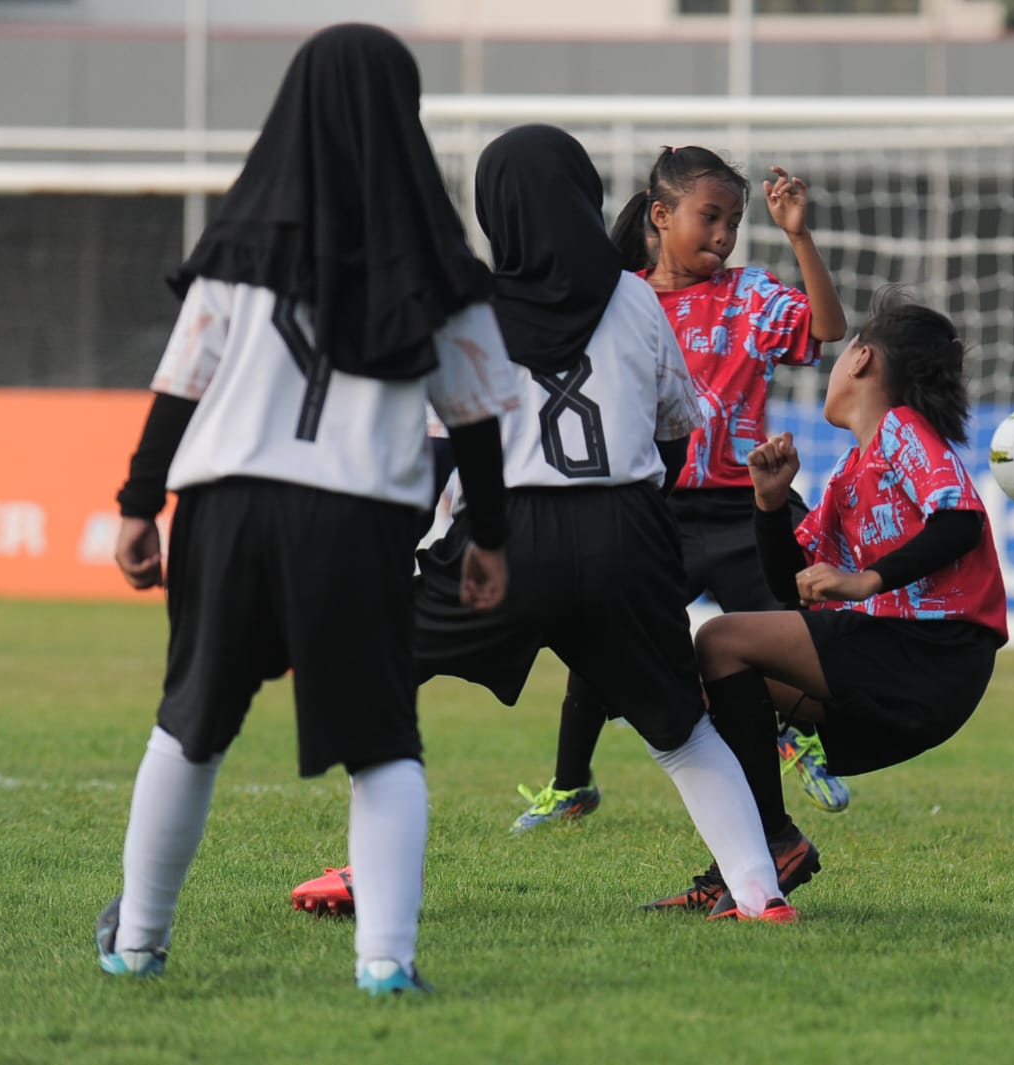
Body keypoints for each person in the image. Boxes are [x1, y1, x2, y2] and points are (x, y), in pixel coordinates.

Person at [96, 24, 519, 996]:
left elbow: (181, 384)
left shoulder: (239, 239)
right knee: (382, 747)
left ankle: (138, 944)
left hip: (226, 508)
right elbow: (476, 415)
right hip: (359, 518)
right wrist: (488, 536)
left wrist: (136, 504)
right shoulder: (438, 259)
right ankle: (384, 963)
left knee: (190, 724)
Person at [296, 125, 804, 923]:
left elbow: (429, 458)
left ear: (495, 209)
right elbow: (679, 432)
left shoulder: (467, 308)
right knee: (680, 730)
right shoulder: (638, 296)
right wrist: (630, 519)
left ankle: (375, 873)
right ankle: (759, 894)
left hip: (506, 535)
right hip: (632, 532)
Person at [509, 144, 853, 834]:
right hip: (655, 511)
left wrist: (799, 235)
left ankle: (803, 736)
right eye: (711, 218)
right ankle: (571, 782)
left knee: (792, 627)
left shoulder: (749, 294)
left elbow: (828, 329)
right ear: (661, 216)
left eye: (733, 222)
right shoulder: (619, 301)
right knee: (603, 638)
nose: (724, 236)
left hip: (744, 509)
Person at [650, 294, 1008, 917]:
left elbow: (960, 522)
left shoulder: (901, 429)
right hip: (913, 669)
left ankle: (771, 843)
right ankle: (748, 863)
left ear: (862, 358)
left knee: (717, 641)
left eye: (844, 352)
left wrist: (866, 579)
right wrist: (769, 503)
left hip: (933, 653)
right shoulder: (852, 469)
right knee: (717, 685)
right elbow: (790, 586)